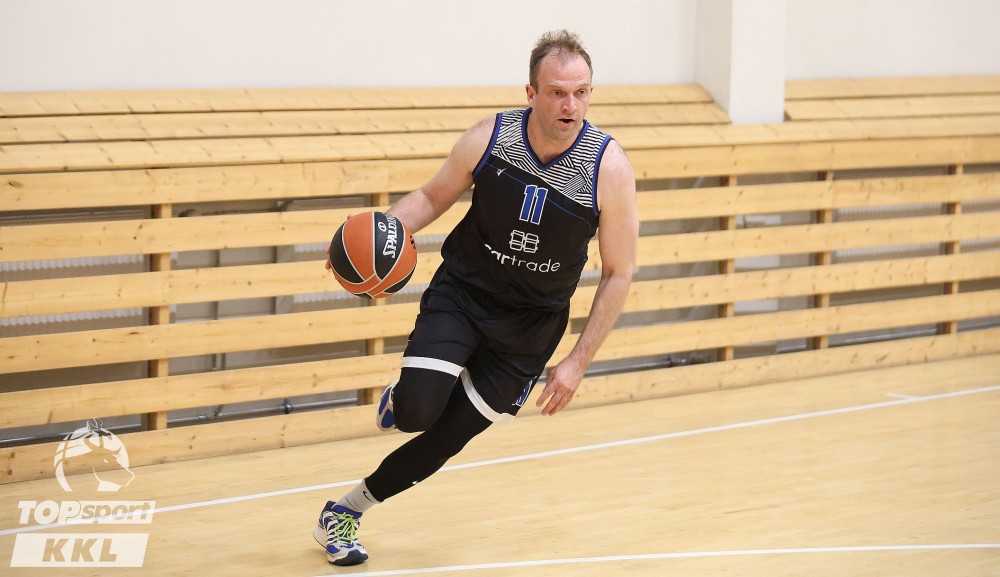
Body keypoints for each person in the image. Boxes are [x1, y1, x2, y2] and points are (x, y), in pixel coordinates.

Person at [315, 29, 638, 566]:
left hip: (529, 330)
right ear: (531, 93)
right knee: (417, 412)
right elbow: (430, 197)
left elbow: (619, 273)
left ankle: (344, 511)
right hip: (464, 296)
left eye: (581, 93)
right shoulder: (491, 138)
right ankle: (406, 395)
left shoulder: (608, 169)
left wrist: (577, 362)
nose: (571, 105)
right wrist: (367, 242)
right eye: (558, 93)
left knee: (446, 438)